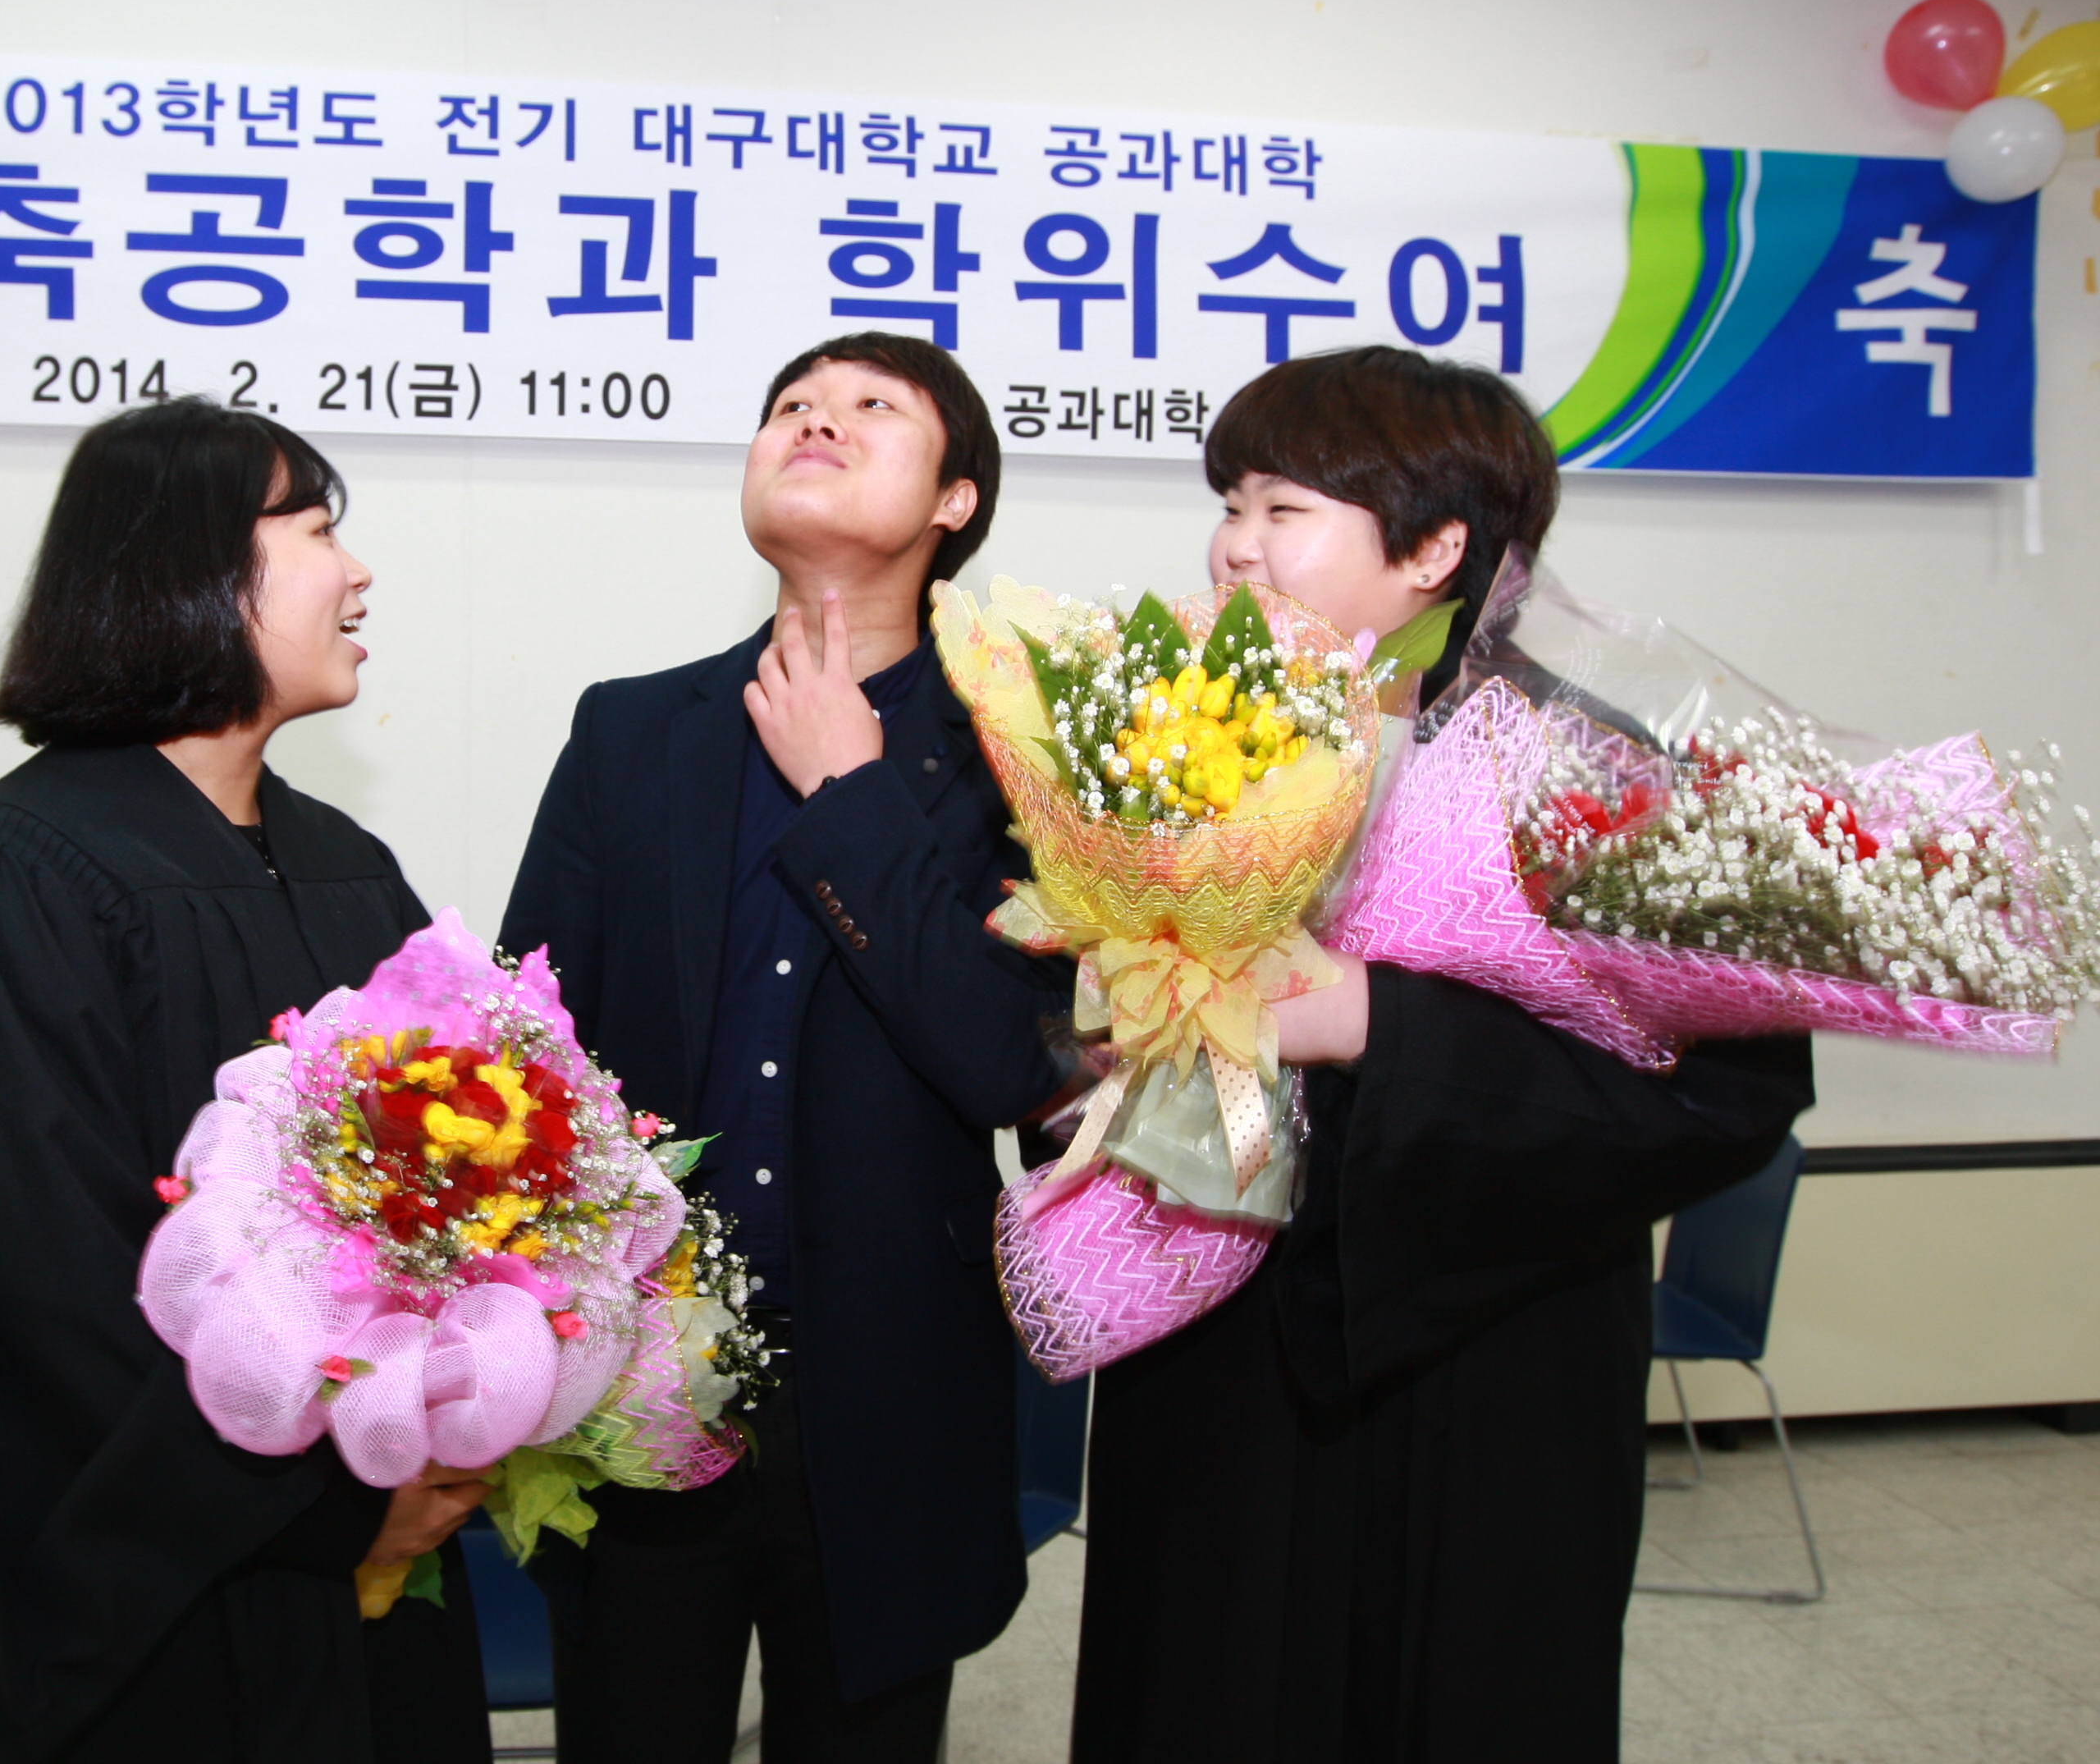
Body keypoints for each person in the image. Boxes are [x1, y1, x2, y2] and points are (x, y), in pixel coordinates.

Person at [1065, 346, 1816, 1764]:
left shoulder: (1597, 779)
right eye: (1229, 504)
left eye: (1284, 509)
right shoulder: (1180, 747)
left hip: (1487, 1368)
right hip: (1218, 1355)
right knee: (1202, 1686)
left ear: (1435, 549)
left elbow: (1727, 1102)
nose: (1235, 544)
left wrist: (1371, 1021)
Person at [0, 399, 492, 1764]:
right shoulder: (6, 878)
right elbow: (41, 1280)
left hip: (369, 1528)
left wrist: (442, 1415)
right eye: (318, 530)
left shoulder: (345, 863)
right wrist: (330, 1499)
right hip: (146, 1583)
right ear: (191, 566)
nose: (358, 572)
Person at [499, 332, 1075, 1764]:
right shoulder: (631, 731)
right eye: (792, 406)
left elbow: (1017, 1063)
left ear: (955, 501)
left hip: (892, 1383)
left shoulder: (1025, 753)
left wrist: (848, 799)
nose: (818, 421)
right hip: (637, 1379)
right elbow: (526, 1046)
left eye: (873, 407)